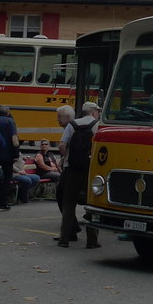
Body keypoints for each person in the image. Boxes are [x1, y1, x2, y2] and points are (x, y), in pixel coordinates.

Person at [58, 101, 100, 249]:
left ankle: (64, 239)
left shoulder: (72, 125)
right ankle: (92, 241)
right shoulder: (98, 125)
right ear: (93, 112)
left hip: (72, 169)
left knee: (69, 204)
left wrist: (66, 158)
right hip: (90, 170)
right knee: (92, 205)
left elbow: (62, 145)